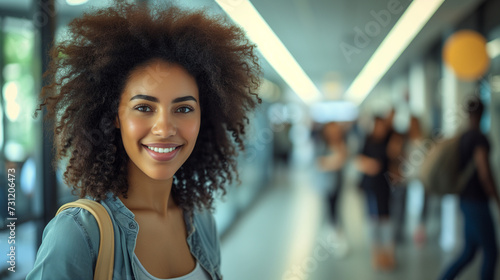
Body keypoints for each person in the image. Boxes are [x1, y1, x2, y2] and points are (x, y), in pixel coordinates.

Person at [27, 2, 261, 279]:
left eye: (184, 109)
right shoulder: (77, 233)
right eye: (144, 108)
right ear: (114, 115)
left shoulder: (201, 220)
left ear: (203, 116)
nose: (164, 129)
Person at [440, 97, 499, 280]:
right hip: (478, 202)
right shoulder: (479, 138)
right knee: (491, 251)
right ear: (482, 113)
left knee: (469, 251)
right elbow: (484, 173)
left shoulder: (462, 137)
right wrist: (497, 198)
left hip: (464, 200)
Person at [356, 116, 395, 270]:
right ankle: (377, 255)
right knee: (374, 220)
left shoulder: (389, 140)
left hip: (385, 187)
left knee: (386, 220)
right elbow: (359, 159)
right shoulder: (368, 141)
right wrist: (368, 164)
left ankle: (389, 255)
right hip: (371, 187)